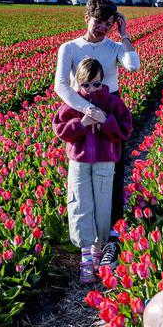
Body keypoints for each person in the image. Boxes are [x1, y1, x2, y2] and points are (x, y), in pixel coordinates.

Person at [55, 0, 140, 270]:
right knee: (81, 179)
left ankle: (110, 238)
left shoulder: (114, 47)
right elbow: (61, 86)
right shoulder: (69, 48)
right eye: (97, 20)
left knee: (112, 177)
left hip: (110, 110)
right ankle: (87, 242)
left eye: (107, 22)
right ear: (86, 18)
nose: (101, 26)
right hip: (80, 112)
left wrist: (125, 34)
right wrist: (87, 112)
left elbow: (133, 65)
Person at [52, 58, 133, 283]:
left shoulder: (113, 103)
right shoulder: (72, 103)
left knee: (103, 204)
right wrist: (82, 123)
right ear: (78, 83)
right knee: (79, 203)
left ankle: (99, 248)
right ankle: (86, 255)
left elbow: (125, 130)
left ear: (102, 80)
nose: (91, 89)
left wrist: (105, 120)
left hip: (105, 161)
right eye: (86, 84)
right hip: (79, 161)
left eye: (96, 83)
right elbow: (60, 130)